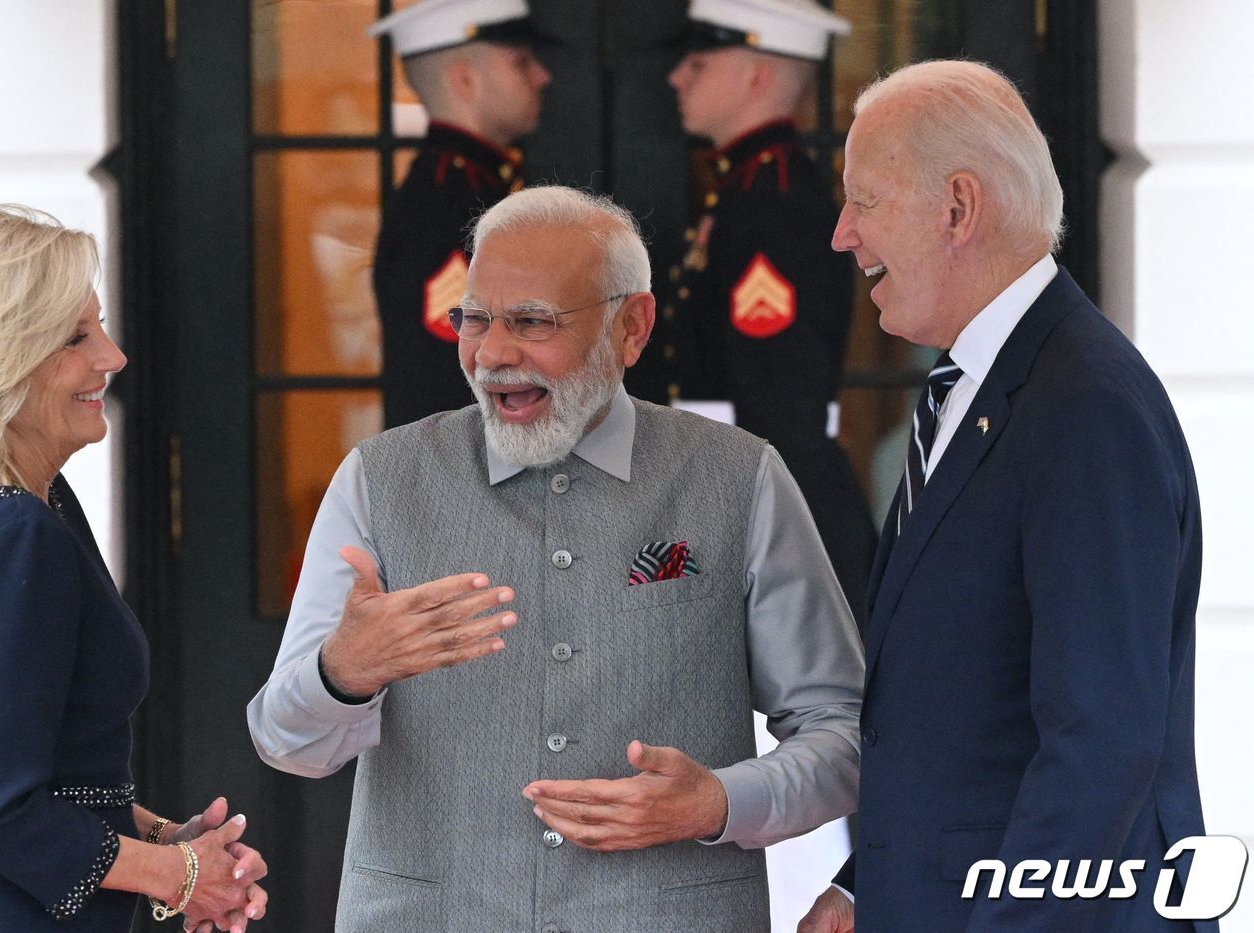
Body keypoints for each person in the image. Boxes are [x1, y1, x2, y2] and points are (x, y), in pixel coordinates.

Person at [249, 185, 864, 930]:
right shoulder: (379, 480)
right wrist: (342, 672)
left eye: (532, 322)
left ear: (632, 328)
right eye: (474, 319)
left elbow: (842, 734)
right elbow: (285, 741)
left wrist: (719, 801)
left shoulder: (740, 477)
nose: (494, 354)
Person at [798, 61, 1208, 932]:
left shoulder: (1084, 407)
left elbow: (1099, 747)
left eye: (863, 202)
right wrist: (867, 886)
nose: (842, 235)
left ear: (957, 208)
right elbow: (959, 719)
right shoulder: (974, 387)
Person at [0, 206, 269, 933]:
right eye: (77, 337)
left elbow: (26, 771)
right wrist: (181, 875)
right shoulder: (14, 530)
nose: (112, 356)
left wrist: (174, 845)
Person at [664, 0, 877, 618]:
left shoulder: (772, 204)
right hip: (735, 486)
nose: (678, 76)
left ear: (756, 77)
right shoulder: (744, 190)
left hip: (772, 508)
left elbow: (778, 402)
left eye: (699, 62)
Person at [368, 0, 551, 428]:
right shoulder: (447, 203)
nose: (542, 76)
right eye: (521, 62)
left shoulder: (470, 189)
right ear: (465, 81)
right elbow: (450, 373)